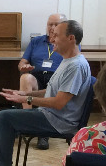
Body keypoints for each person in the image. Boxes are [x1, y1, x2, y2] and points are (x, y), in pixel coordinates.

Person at [0, 20, 91, 166]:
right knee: (6, 116)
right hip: (51, 115)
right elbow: (51, 91)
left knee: (3, 117)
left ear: (71, 38)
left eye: (57, 36)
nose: (52, 40)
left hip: (59, 121)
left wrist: (29, 99)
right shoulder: (69, 62)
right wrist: (23, 95)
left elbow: (59, 103)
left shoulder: (76, 66)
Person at [17, 13, 68, 150]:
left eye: (56, 24)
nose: (52, 27)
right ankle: (28, 123)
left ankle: (43, 133)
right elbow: (22, 62)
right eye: (49, 24)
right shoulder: (36, 41)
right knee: (25, 77)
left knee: (53, 86)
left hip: (57, 78)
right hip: (37, 76)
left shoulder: (67, 42)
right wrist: (24, 67)